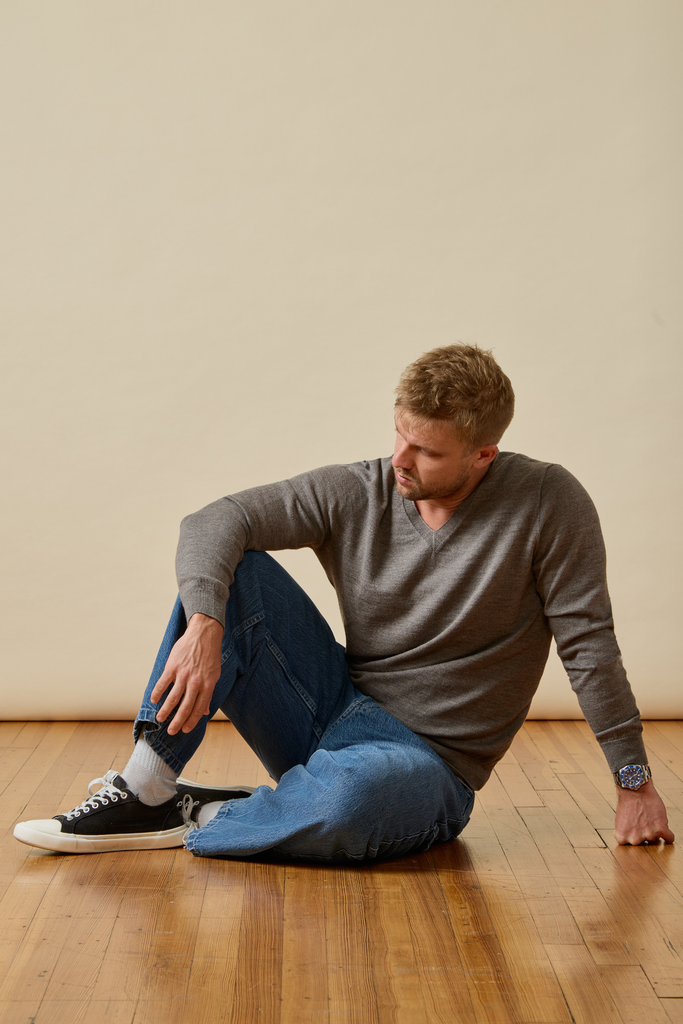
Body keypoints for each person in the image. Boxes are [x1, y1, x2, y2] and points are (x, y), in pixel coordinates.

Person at [14, 345, 673, 858]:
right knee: (232, 573)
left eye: (424, 450)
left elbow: (587, 644)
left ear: (482, 455)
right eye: (397, 434)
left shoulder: (547, 504)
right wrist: (207, 622)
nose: (399, 460)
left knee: (357, 798)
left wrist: (632, 781)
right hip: (333, 714)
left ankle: (212, 814)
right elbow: (213, 521)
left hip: (429, 765)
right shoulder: (363, 490)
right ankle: (146, 790)